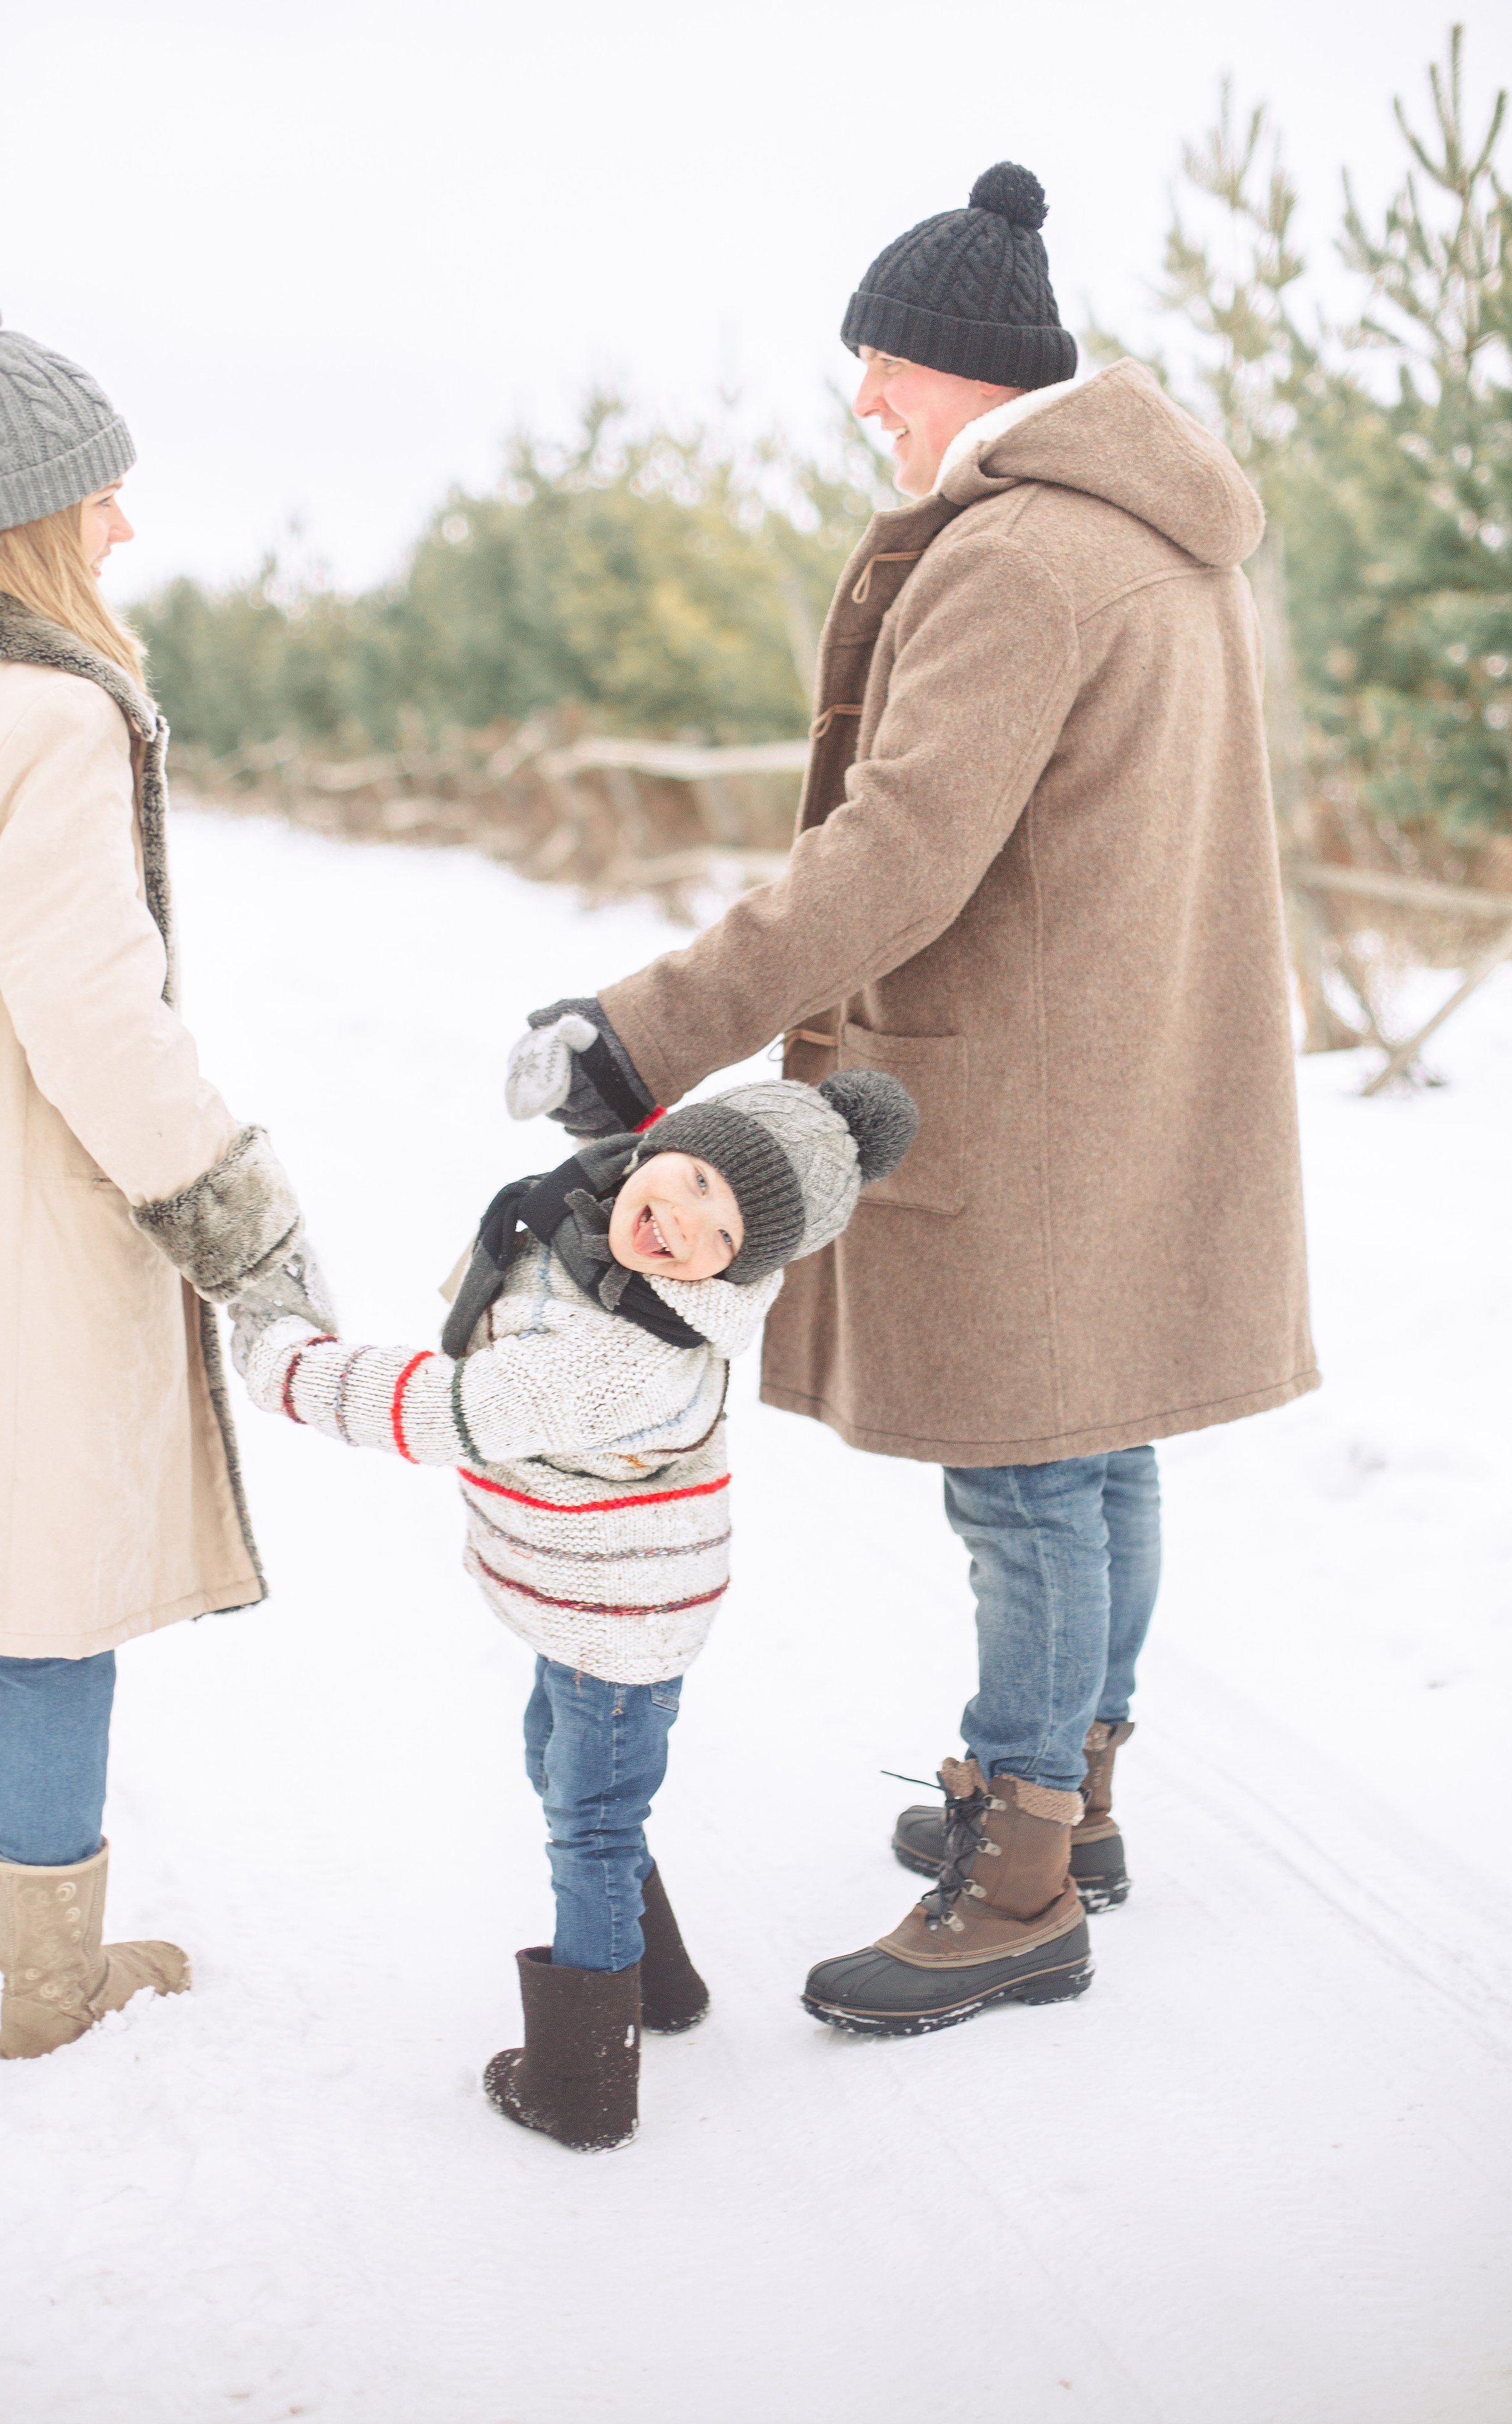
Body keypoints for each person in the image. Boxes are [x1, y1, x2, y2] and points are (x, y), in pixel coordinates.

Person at [501, 162, 1318, 2038]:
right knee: (1098, 1447)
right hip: (1126, 1064)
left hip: (1019, 1093)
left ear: (967, 367)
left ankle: (1019, 1880)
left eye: (885, 364)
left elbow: (897, 855)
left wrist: (645, 1033)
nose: (865, 397)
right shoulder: (1157, 536)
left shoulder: (1021, 553)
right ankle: (1071, 1799)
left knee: (1025, 1478)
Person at [0, 287, 331, 2058]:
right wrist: (239, 1219)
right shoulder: (43, 717)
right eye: (102, 496)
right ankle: (54, 1988)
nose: (125, 526)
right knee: (39, 1599)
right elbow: (99, 1029)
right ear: (31, 519)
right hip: (3, 1245)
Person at [232, 1066, 916, 2147]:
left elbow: (447, 1409)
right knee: (564, 1773)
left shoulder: (620, 1354)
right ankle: (657, 1984)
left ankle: (582, 2085)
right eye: (693, 1178)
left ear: (743, 1267)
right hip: (592, 1604)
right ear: (660, 1147)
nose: (683, 1221)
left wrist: (285, 1362)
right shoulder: (602, 1229)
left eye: (723, 1233)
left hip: (620, 1620)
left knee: (592, 1821)